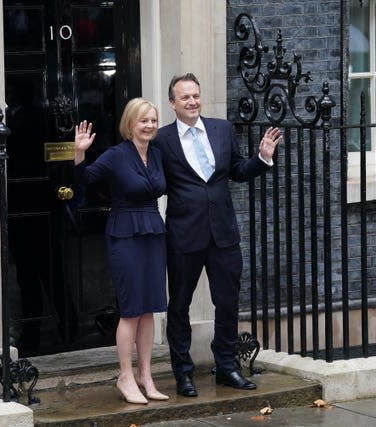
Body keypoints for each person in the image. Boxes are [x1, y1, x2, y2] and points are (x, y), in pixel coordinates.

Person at [154, 73, 281, 397]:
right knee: (179, 305)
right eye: (185, 97)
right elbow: (153, 182)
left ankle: (227, 366)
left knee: (227, 302)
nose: (192, 101)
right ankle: (183, 373)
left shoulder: (222, 130)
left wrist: (262, 158)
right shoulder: (162, 140)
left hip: (223, 233)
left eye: (195, 95)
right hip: (184, 234)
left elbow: (237, 170)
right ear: (173, 103)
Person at [74, 98, 169, 405]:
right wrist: (79, 153)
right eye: (144, 121)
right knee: (130, 309)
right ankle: (125, 376)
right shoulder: (116, 155)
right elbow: (84, 181)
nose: (150, 126)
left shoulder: (156, 155)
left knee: (149, 307)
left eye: (153, 120)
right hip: (125, 232)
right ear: (130, 124)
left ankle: (146, 375)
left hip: (153, 231)